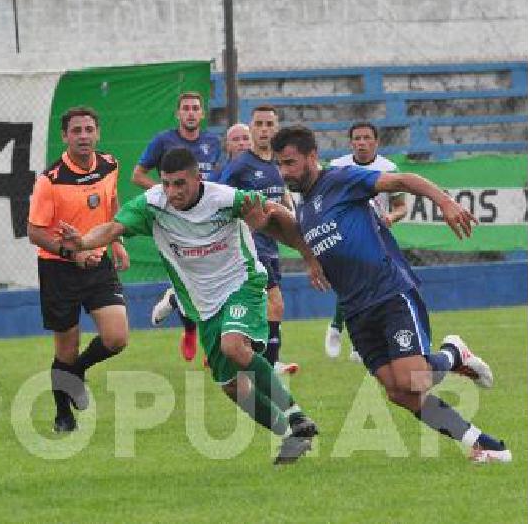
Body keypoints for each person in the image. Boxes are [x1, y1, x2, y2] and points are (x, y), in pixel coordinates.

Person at [60, 147, 329, 465]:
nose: (172, 192)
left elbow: (275, 214)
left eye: (179, 184)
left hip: (241, 284)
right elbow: (113, 227)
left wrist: (309, 256)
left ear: (197, 178)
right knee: (229, 385)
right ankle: (290, 436)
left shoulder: (225, 198)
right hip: (202, 303)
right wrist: (85, 242)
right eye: (167, 183)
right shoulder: (152, 205)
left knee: (234, 346)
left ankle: (296, 416)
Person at [265, 125, 511, 463]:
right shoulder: (303, 203)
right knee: (398, 392)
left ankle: (454, 354)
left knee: (415, 379)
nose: (284, 172)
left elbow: (403, 181)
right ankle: (483, 444)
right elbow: (304, 235)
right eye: (279, 164)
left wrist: (444, 201)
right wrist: (310, 259)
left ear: (312, 156)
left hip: (388, 293)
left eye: (290, 163)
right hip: (355, 309)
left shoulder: (342, 179)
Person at [27, 107, 131, 433]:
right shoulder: (50, 180)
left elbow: (112, 205)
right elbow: (34, 231)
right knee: (66, 348)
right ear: (65, 136)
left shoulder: (110, 165)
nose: (83, 136)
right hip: (59, 269)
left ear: (97, 133)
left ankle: (76, 374)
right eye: (76, 131)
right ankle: (63, 416)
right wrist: (73, 254)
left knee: (116, 338)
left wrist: (116, 242)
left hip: (97, 262)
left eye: (89, 129)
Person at [133, 91, 222, 362]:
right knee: (190, 275)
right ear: (178, 113)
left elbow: (212, 181)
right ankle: (192, 330)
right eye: (186, 108)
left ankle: (179, 305)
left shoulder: (212, 143)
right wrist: (168, 195)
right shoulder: (164, 141)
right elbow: (137, 175)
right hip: (175, 219)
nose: (191, 112)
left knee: (209, 276)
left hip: (205, 219)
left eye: (196, 107)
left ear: (203, 113)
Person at [219, 104, 299, 376]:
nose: (264, 130)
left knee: (263, 306)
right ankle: (269, 362)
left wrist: (292, 217)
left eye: (269, 124)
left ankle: (246, 357)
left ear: (276, 128)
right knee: (274, 302)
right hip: (251, 245)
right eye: (259, 124)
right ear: (251, 128)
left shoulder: (278, 163)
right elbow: (220, 201)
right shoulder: (240, 166)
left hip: (271, 243)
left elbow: (283, 195)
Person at [325, 122, 408, 362]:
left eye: (366, 138)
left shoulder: (388, 168)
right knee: (351, 283)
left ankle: (351, 338)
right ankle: (338, 329)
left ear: (376, 142)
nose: (361, 142)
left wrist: (390, 218)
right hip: (344, 236)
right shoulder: (337, 167)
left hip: (376, 236)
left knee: (371, 287)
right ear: (350, 142)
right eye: (357, 138)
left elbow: (401, 207)